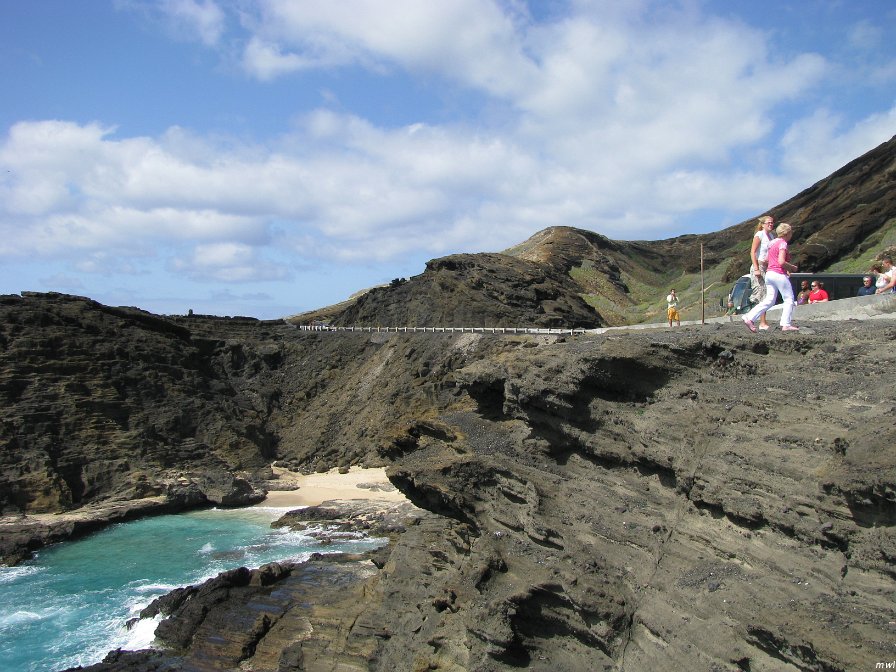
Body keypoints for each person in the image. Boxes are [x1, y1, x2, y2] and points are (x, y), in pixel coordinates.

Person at [742, 222, 799, 332]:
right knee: (789, 299)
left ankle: (749, 317)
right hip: (778, 273)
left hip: (769, 274)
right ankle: (786, 324)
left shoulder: (772, 243)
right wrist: (791, 267)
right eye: (790, 232)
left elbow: (766, 260)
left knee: (769, 300)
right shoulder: (783, 243)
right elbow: (781, 261)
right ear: (787, 233)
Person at [748, 215, 775, 329]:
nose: (771, 224)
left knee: (768, 294)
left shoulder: (772, 236)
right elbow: (753, 252)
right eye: (768, 222)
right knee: (761, 294)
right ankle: (761, 322)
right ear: (763, 224)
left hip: (767, 267)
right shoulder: (759, 235)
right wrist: (756, 268)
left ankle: (754, 319)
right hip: (759, 266)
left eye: (772, 223)